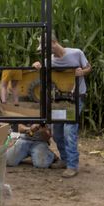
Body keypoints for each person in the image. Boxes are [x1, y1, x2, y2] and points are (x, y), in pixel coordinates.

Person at [32, 30, 91, 178]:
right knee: (57, 133)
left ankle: (72, 165)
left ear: (53, 43)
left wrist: (82, 72)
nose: (45, 52)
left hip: (76, 97)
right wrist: (38, 65)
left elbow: (89, 67)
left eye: (46, 48)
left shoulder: (76, 53)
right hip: (59, 100)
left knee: (69, 131)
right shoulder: (49, 61)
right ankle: (64, 159)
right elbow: (43, 70)